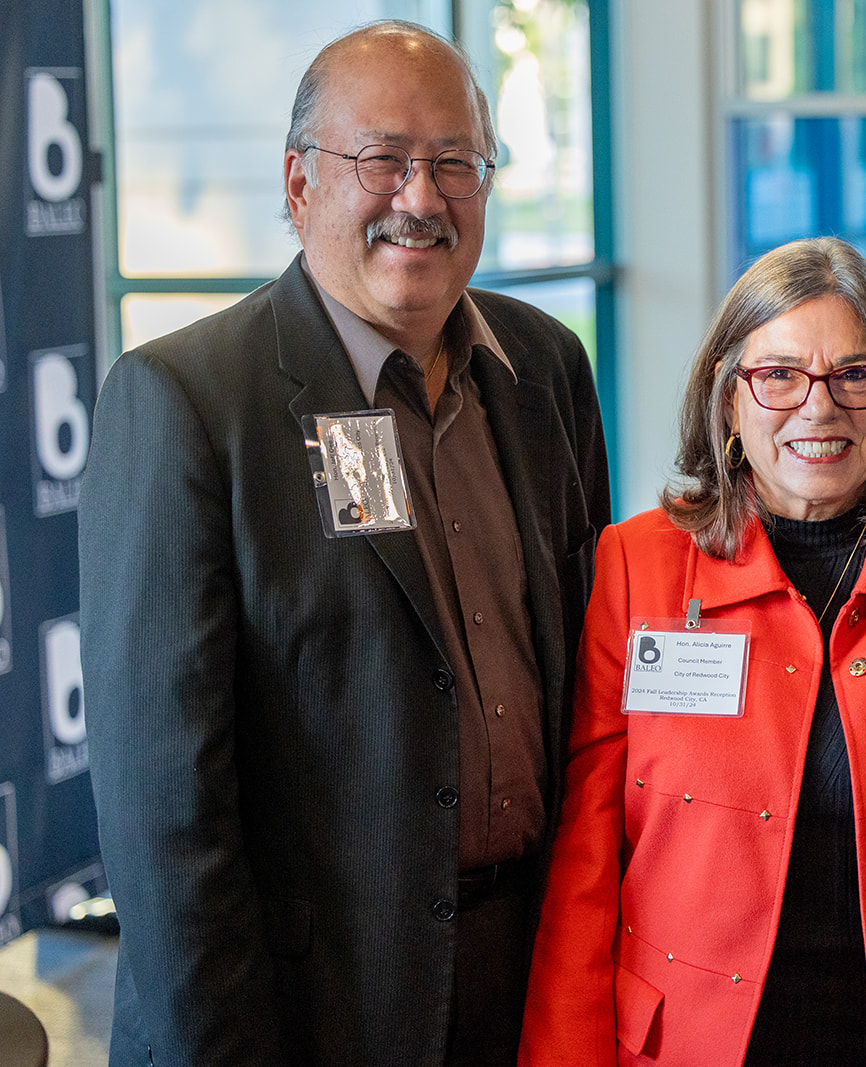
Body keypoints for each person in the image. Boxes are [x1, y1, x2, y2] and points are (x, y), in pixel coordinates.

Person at [79, 21, 609, 1067]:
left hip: (530, 980)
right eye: (382, 159)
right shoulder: (186, 402)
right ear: (299, 182)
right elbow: (164, 812)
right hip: (307, 1006)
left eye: (454, 162)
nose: (422, 197)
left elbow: (586, 679)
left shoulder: (544, 367)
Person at [519, 236, 866, 1066]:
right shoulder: (638, 566)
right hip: (687, 1045)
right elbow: (587, 862)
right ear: (728, 398)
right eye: (778, 375)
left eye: (855, 374)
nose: (819, 406)